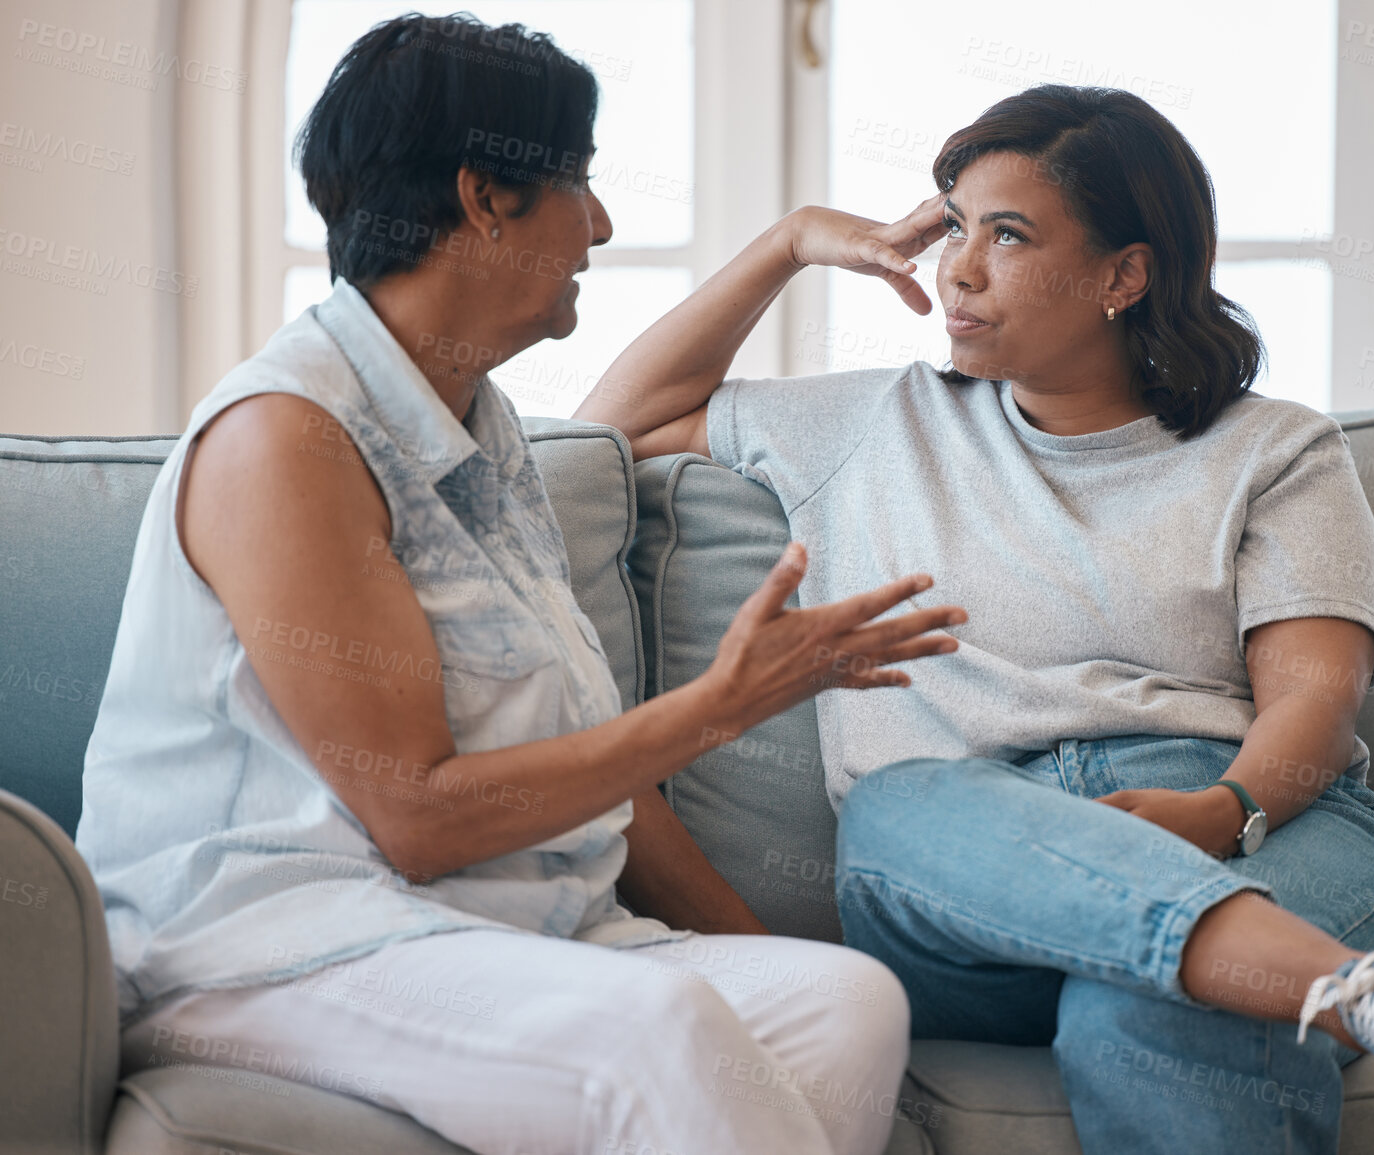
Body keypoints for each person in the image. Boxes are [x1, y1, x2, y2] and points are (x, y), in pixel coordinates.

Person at [74, 15, 960, 1155]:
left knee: (843, 1002)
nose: (599, 224)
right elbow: (418, 818)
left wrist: (770, 957)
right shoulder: (284, 438)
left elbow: (595, 776)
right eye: (577, 184)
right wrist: (723, 705)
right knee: (662, 1032)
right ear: (485, 197)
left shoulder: (479, 425)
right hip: (278, 944)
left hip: (501, 935)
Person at [577, 84, 1374, 1153]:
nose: (959, 269)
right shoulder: (868, 423)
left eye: (1007, 236)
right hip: (970, 874)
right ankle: (1341, 987)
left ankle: (1281, 965)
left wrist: (1216, 814)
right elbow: (611, 430)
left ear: (1125, 274)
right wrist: (790, 244)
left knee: (1156, 1000)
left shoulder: (1276, 451)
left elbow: (1316, 702)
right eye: (954, 228)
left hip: (1263, 830)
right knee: (898, 806)